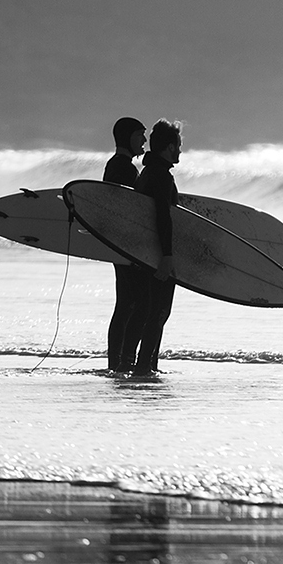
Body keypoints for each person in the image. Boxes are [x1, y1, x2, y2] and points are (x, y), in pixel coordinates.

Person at [129, 119, 182, 376]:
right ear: (169, 147)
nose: (181, 151)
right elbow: (163, 216)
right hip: (156, 255)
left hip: (145, 253)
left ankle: (142, 365)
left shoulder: (149, 172)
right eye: (179, 146)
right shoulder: (160, 176)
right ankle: (143, 367)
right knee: (158, 312)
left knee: (151, 311)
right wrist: (167, 256)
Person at [103, 117, 145, 373]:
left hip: (121, 245)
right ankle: (121, 361)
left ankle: (118, 361)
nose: (144, 140)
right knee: (131, 304)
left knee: (127, 303)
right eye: (141, 134)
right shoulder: (122, 168)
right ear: (128, 137)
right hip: (126, 246)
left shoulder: (117, 165)